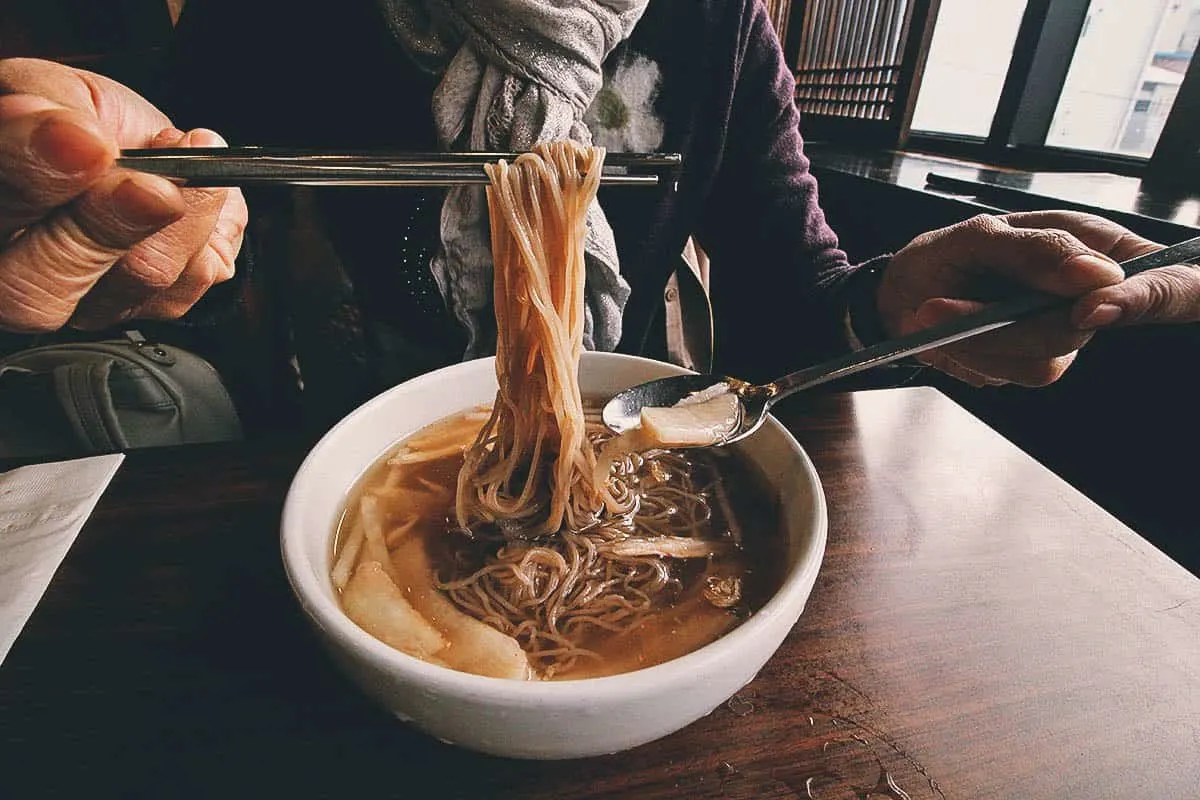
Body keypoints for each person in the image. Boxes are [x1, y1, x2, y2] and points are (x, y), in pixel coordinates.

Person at [0, 0, 1196, 428]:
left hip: (619, 418)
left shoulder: (721, 26)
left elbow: (793, 304)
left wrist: (896, 301)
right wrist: (105, 210)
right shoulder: (279, 14)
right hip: (340, 421)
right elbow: (181, 210)